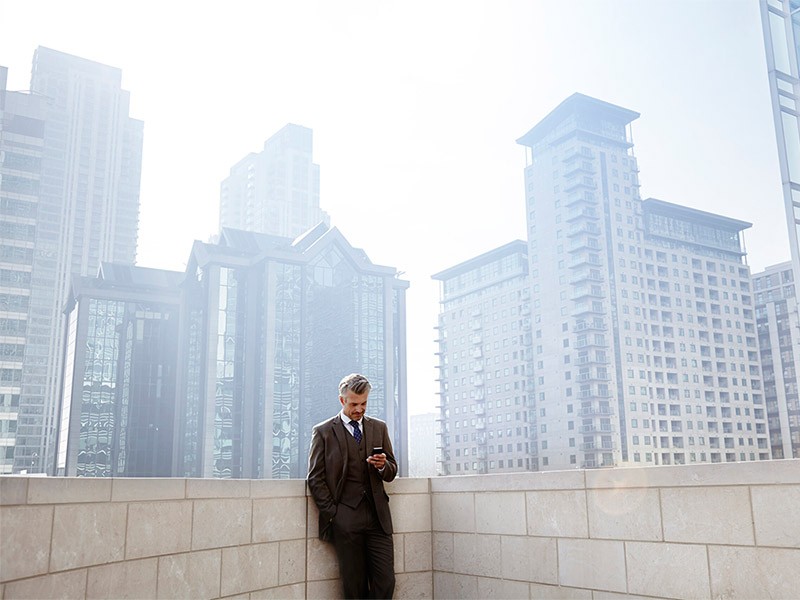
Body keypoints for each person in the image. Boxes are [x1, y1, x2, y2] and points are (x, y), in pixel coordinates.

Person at [307, 373, 397, 599]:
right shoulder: (324, 431)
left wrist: (382, 466)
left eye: (364, 403)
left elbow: (392, 470)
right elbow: (315, 478)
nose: (359, 409)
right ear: (342, 400)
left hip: (378, 519)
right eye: (354, 403)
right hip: (345, 520)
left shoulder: (379, 428)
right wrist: (335, 515)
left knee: (386, 581)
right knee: (354, 587)